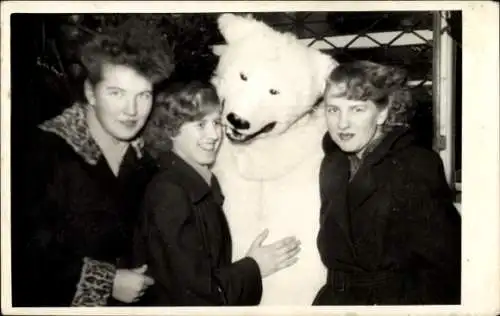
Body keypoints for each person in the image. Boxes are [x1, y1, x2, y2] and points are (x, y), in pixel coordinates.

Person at [11, 18, 175, 307]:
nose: (132, 111)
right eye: (117, 93)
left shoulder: (149, 159)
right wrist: (106, 281)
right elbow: (19, 259)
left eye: (143, 95)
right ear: (90, 93)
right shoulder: (42, 153)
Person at [133, 81, 301, 306]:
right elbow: (194, 295)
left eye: (217, 123)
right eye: (200, 125)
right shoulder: (169, 192)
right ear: (171, 130)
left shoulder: (196, 181)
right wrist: (254, 267)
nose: (214, 135)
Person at [313, 60, 461, 305]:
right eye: (333, 109)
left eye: (357, 109)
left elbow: (446, 264)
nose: (342, 123)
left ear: (382, 112)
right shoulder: (333, 165)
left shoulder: (414, 165)